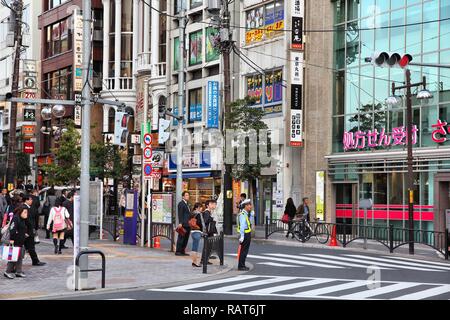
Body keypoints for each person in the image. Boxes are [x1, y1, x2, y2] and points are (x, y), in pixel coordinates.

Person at [4, 206, 29, 279]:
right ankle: (7, 271)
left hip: (20, 241)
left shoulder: (22, 219)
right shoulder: (15, 218)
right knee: (13, 257)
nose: (26, 214)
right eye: (25, 212)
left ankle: (18, 271)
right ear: (20, 212)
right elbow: (12, 230)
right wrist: (12, 240)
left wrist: (24, 234)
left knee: (20, 257)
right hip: (15, 241)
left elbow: (21, 229)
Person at [22, 195, 46, 266]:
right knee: (29, 247)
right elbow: (26, 220)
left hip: (29, 229)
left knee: (30, 247)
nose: (32, 201)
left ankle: (35, 261)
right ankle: (13, 265)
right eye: (30, 199)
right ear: (26, 200)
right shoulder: (23, 208)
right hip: (26, 230)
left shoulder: (30, 207)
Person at [237, 199, 253, 271]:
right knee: (244, 251)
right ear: (245, 206)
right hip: (245, 234)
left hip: (246, 234)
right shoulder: (243, 214)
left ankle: (242, 265)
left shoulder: (245, 214)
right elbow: (242, 226)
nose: (250, 206)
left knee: (244, 250)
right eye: (249, 205)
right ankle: (241, 266)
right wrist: (242, 236)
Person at [175, 191, 191, 256]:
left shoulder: (187, 204)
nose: (188, 196)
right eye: (186, 195)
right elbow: (180, 214)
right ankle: (178, 251)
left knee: (186, 239)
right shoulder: (181, 204)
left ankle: (182, 251)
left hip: (188, 224)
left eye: (188, 195)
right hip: (183, 224)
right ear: (183, 196)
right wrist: (180, 223)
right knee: (181, 238)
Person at [189, 203, 205, 267]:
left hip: (192, 232)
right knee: (195, 247)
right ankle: (195, 262)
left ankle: (194, 262)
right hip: (197, 231)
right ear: (197, 208)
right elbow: (200, 223)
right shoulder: (198, 214)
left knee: (194, 247)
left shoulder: (192, 213)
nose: (201, 208)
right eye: (200, 207)